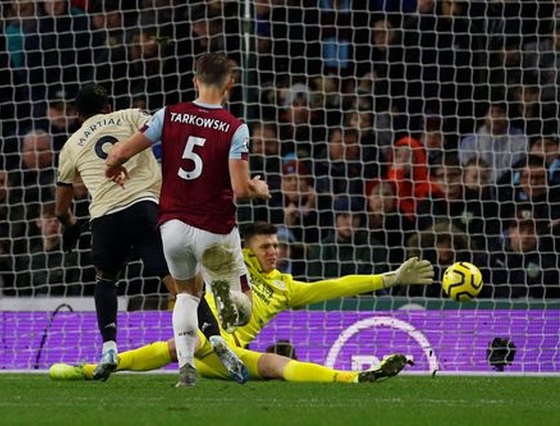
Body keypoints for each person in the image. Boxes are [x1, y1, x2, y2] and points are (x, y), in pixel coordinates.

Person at [50, 221, 434, 384]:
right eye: (265, 246)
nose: (274, 252)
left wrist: (391, 278)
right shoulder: (229, 265)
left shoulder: (286, 287)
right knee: (186, 343)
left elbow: (335, 285)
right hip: (206, 341)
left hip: (233, 356)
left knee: (276, 365)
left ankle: (353, 378)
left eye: (277, 245)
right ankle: (88, 369)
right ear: (248, 251)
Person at [105, 53, 271, 386]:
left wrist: (114, 166)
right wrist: (257, 189)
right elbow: (239, 188)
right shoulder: (235, 128)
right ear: (230, 84)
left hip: (174, 226)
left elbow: (119, 152)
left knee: (186, 294)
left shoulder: (168, 115)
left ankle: (186, 368)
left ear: (195, 81)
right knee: (245, 309)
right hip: (216, 228)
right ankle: (226, 301)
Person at [55, 83, 172, 380]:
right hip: (144, 207)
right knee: (176, 281)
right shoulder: (130, 116)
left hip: (104, 217)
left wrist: (70, 225)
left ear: (78, 115)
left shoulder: (70, 144)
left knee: (105, 278)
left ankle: (109, 346)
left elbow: (61, 204)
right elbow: (160, 126)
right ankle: (210, 336)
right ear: (108, 106)